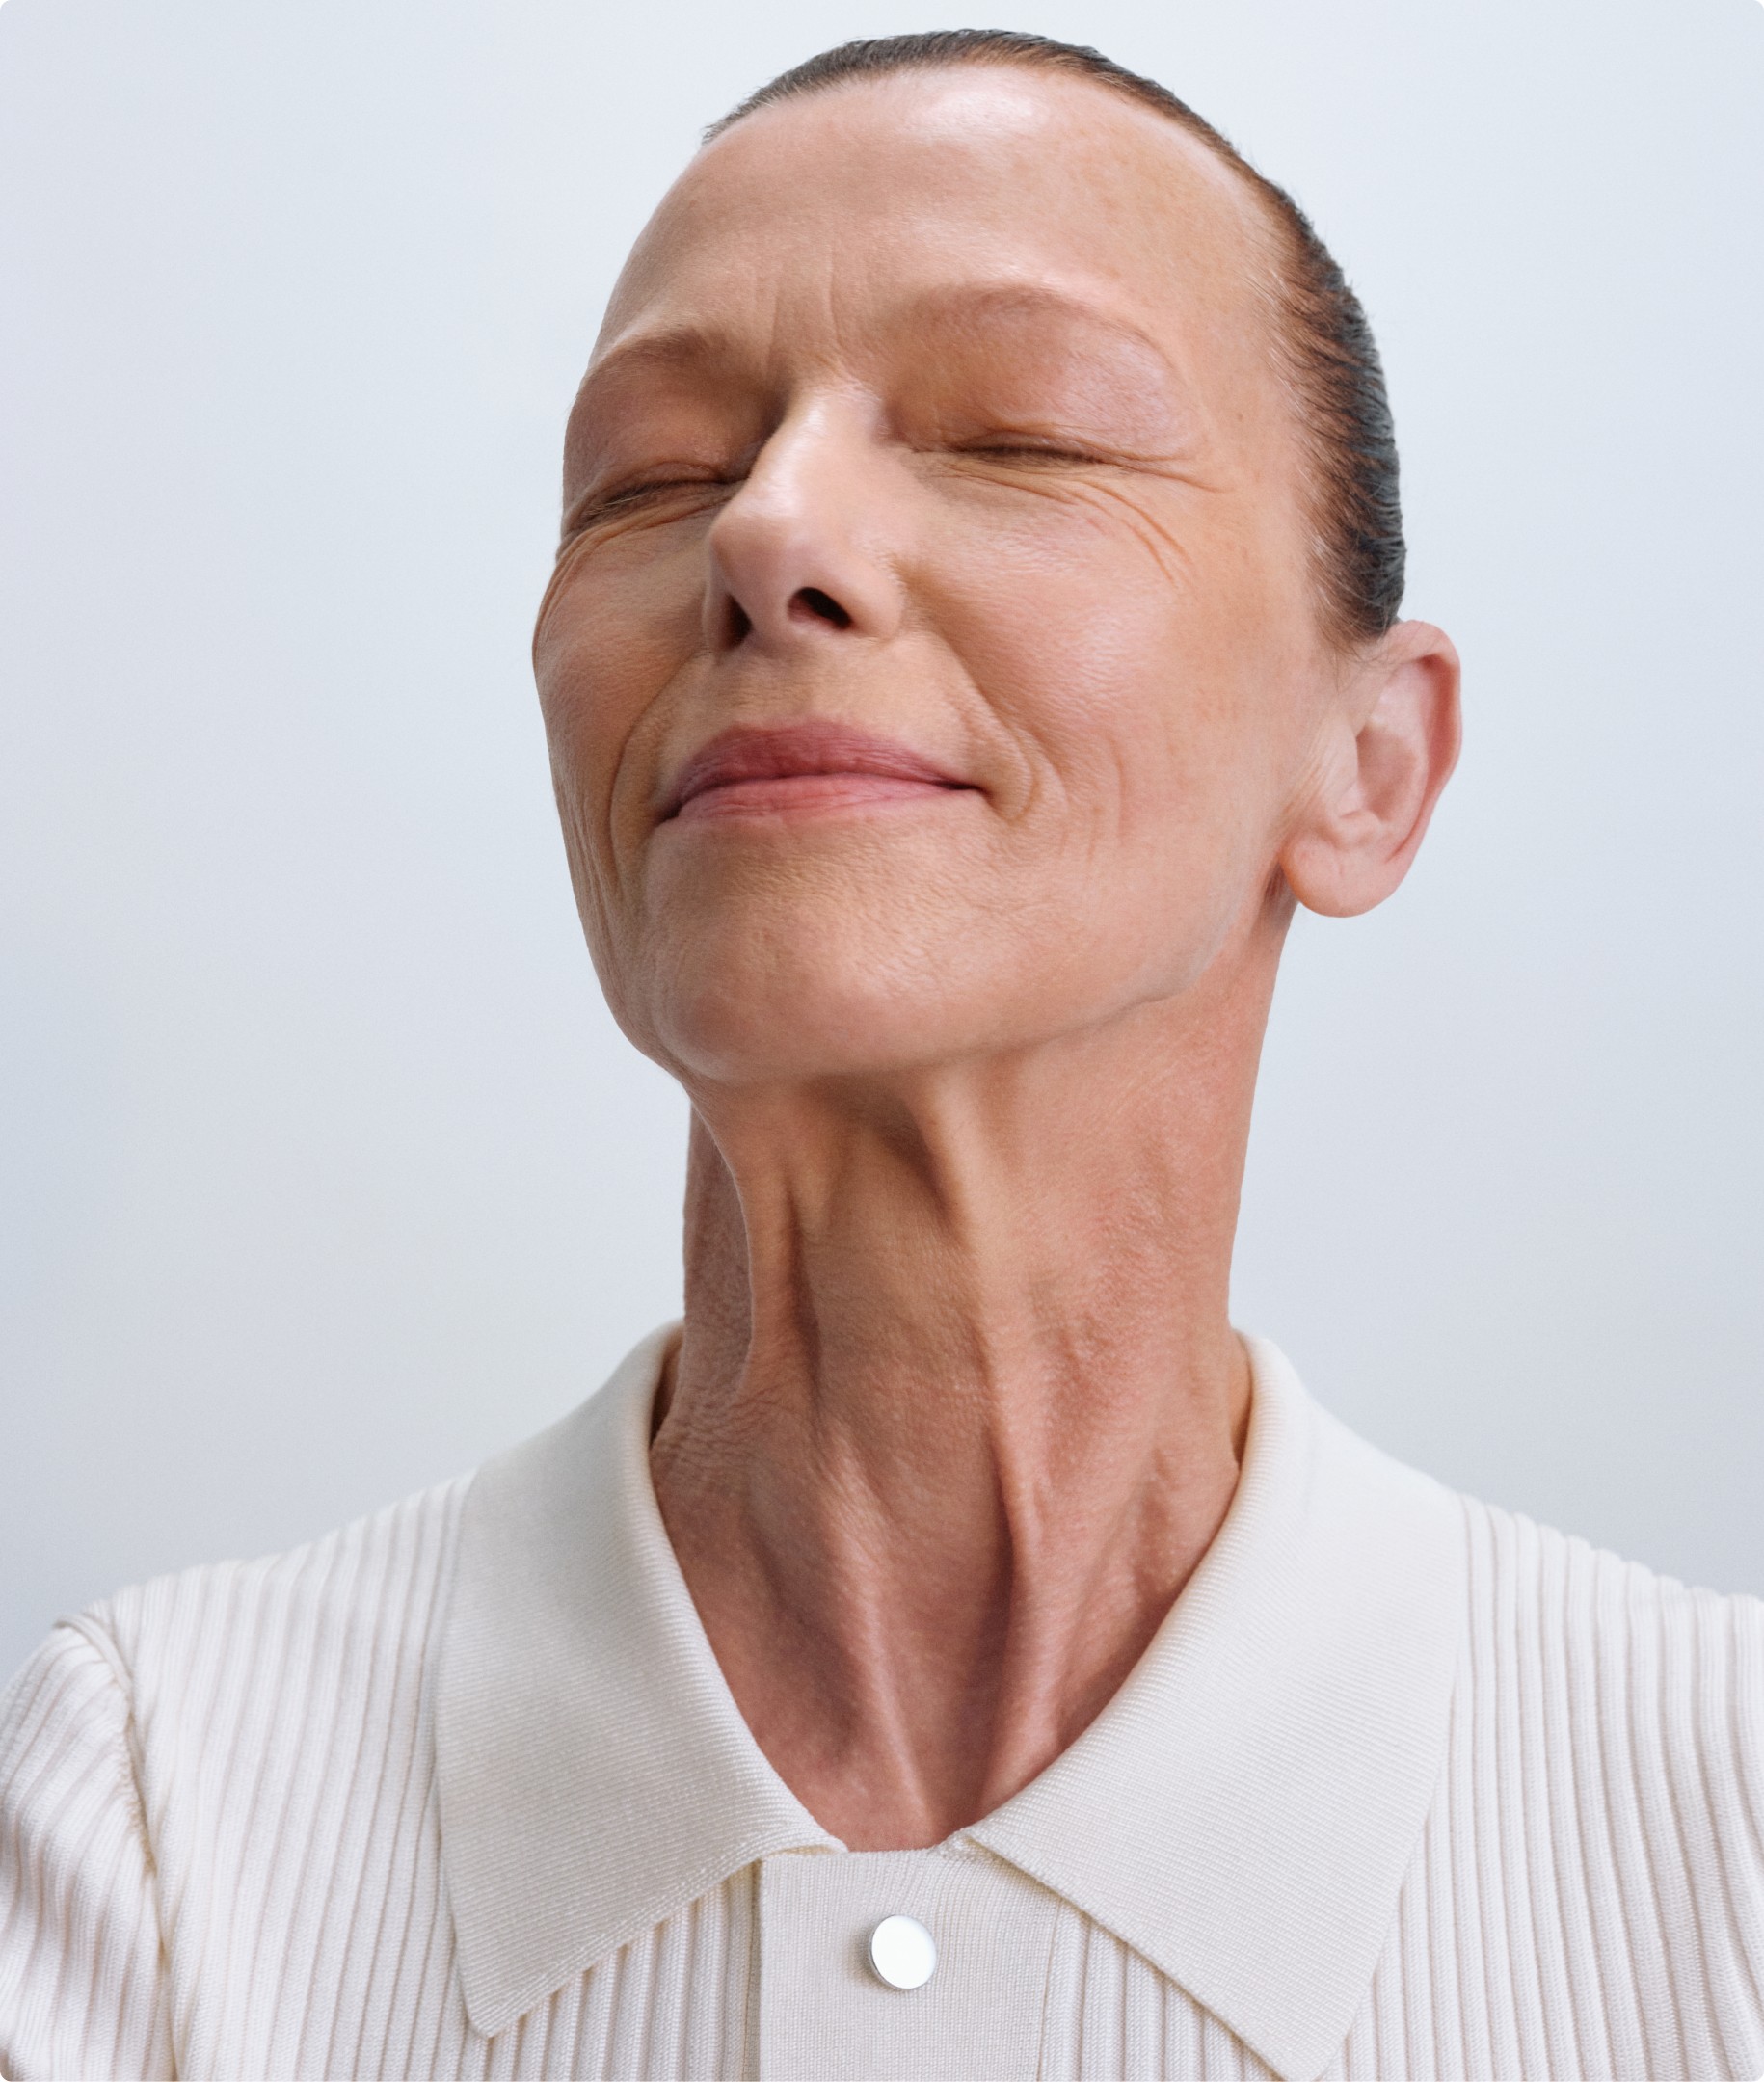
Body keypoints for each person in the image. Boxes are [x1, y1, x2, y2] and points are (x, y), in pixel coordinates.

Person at [2, 29, 1759, 2082]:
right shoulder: (156, 1816)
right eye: (648, 477)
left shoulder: (1715, 1834)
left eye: (1017, 435)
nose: (765, 530)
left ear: (1372, 766)